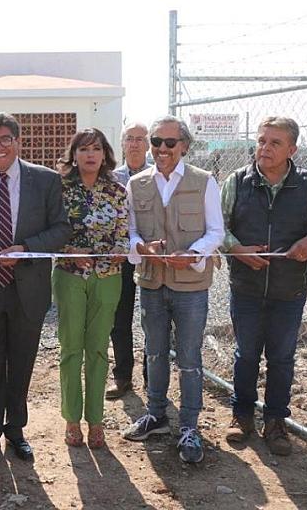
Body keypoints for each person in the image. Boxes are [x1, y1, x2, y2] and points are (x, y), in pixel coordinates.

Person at [0, 112, 71, 467]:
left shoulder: (45, 180)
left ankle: (16, 430)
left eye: (5, 139)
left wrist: (26, 249)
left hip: (26, 288)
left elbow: (61, 229)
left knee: (21, 363)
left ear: (18, 142)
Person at [221, 116, 307, 456]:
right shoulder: (237, 181)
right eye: (261, 141)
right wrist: (235, 249)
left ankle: (276, 422)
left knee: (282, 358)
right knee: (245, 355)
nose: (265, 149)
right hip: (246, 287)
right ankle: (241, 416)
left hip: (290, 289)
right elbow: (216, 226)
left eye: (274, 143)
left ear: (292, 149)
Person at [121, 116, 224, 464]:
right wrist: (143, 248)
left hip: (191, 286)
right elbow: (130, 232)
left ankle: (190, 427)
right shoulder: (137, 184)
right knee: (154, 352)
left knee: (190, 358)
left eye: (169, 142)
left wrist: (193, 254)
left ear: (184, 146)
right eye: (156, 142)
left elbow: (216, 231)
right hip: (152, 282)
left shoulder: (204, 181)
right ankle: (157, 415)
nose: (161, 149)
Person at [53, 128, 128, 449]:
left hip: (108, 276)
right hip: (69, 275)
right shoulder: (59, 189)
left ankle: (96, 421)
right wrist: (70, 251)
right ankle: (72, 420)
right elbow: (50, 232)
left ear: (105, 153)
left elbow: (125, 230)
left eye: (95, 148)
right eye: (83, 149)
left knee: (98, 349)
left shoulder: (116, 189)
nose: (90, 154)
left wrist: (120, 250)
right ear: (74, 154)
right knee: (71, 348)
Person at [107, 122, 151, 399]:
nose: (134, 144)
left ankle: (152, 379)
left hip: (150, 256)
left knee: (152, 319)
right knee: (119, 319)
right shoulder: (111, 179)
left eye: (140, 139)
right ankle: (123, 377)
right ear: (122, 144)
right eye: (129, 139)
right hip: (120, 257)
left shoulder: (158, 175)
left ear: (148, 145)